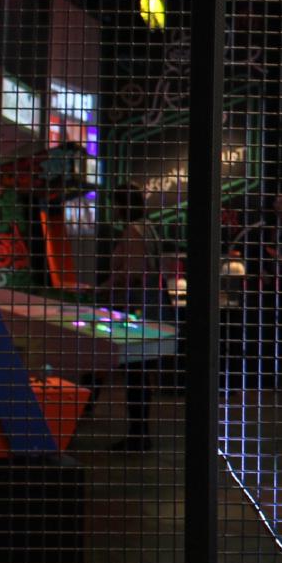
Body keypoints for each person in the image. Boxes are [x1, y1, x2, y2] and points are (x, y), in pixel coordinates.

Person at [103, 185, 163, 452]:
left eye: (116, 204)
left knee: (135, 373)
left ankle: (139, 434)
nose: (114, 210)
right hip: (149, 307)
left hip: (135, 310)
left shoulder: (133, 231)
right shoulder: (148, 227)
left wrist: (103, 288)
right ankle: (140, 432)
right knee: (140, 372)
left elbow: (134, 272)